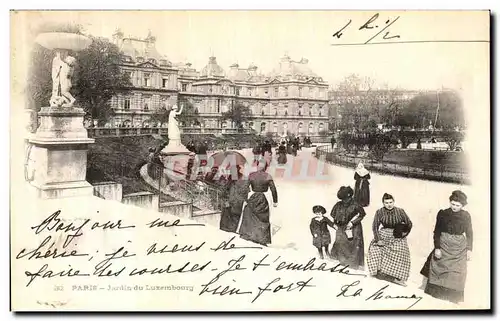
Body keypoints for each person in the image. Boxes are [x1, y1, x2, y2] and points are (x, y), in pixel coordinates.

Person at [420, 190, 473, 304]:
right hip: (444, 243)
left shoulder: (466, 216)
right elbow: (437, 231)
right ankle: (436, 293)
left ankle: (453, 297)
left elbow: (469, 233)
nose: (454, 207)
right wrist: (437, 248)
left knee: (458, 271)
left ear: (462, 206)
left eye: (457, 205)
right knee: (438, 267)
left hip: (459, 247)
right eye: (452, 204)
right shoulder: (443, 213)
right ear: (450, 202)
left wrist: (469, 249)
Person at [367, 193, 413, 286]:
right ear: (383, 203)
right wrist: (378, 239)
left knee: (401, 251)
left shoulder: (400, 211)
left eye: (391, 202)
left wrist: (403, 234)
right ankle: (380, 272)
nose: (389, 204)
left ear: (394, 201)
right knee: (375, 248)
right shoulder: (379, 212)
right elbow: (375, 227)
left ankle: (397, 276)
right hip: (384, 233)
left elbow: (409, 223)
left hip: (397, 235)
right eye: (386, 202)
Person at [238, 161, 278, 246]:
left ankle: (248, 235)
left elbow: (245, 187)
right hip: (262, 199)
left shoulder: (252, 175)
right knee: (263, 218)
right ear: (265, 167)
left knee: (249, 214)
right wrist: (275, 201)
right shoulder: (268, 176)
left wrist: (245, 199)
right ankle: (261, 239)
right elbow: (273, 189)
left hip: (253, 197)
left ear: (257, 166)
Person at [330, 186, 366, 270]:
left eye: (346, 199)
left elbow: (362, 214)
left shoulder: (356, 204)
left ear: (350, 196)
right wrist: (335, 223)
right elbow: (334, 215)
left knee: (353, 244)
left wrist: (353, 222)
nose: (344, 201)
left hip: (353, 227)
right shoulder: (338, 204)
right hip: (341, 227)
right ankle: (342, 260)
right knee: (341, 242)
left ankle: (353, 263)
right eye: (342, 199)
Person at [220, 166, 250, 233]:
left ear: (238, 170)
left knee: (235, 219)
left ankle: (232, 231)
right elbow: (225, 190)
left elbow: (246, 191)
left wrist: (243, 199)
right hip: (229, 202)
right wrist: (226, 180)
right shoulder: (230, 177)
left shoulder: (244, 178)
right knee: (226, 220)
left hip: (237, 203)